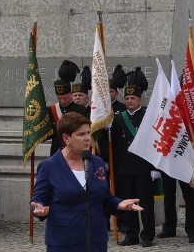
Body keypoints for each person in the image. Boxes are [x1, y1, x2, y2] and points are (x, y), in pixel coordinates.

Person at [31, 112, 142, 251]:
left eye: (88, 133)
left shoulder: (96, 162)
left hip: (96, 241)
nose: (87, 138)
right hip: (64, 242)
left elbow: (104, 197)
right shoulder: (49, 166)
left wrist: (119, 203)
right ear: (66, 138)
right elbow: (38, 200)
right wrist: (40, 210)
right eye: (81, 134)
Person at [110, 68, 155, 247]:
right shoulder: (118, 119)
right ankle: (131, 234)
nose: (129, 101)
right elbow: (114, 145)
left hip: (144, 168)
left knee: (145, 204)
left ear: (140, 100)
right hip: (124, 168)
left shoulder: (147, 117)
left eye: (133, 99)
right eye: (127, 99)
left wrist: (155, 168)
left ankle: (147, 235)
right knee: (128, 203)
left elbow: (155, 143)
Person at [49, 60, 85, 156]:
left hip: (75, 152)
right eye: (59, 98)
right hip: (57, 153)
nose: (62, 101)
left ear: (71, 94)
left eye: (65, 98)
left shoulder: (81, 110)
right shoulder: (51, 110)